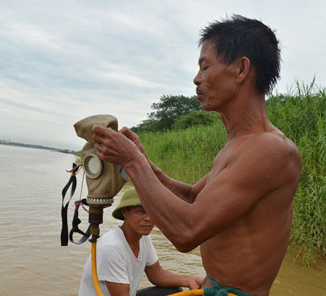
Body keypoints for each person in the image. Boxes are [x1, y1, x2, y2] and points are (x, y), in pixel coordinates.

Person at [90, 15, 302, 296]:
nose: (196, 78)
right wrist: (144, 160)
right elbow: (191, 197)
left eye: (205, 66)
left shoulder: (271, 150)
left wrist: (132, 161)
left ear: (241, 69)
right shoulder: (239, 146)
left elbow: (186, 232)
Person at [78, 185, 203, 296]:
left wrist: (191, 280)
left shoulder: (144, 238)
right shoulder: (112, 247)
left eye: (152, 212)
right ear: (125, 212)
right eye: (141, 212)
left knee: (173, 291)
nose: (148, 218)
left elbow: (157, 275)